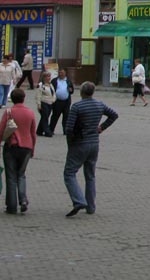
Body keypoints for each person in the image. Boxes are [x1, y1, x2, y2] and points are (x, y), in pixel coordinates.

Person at [63, 81, 118, 217]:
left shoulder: (77, 107)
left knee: (69, 173)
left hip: (79, 143)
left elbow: (69, 128)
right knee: (90, 175)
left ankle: (79, 200)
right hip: (94, 143)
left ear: (81, 92)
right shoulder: (99, 104)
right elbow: (113, 115)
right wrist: (101, 127)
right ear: (92, 92)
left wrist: (70, 143)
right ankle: (91, 206)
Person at [0, 88, 37, 214]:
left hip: (11, 148)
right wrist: (32, 149)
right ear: (23, 98)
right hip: (27, 148)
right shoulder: (30, 113)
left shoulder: (8, 112)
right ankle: (23, 199)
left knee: (11, 177)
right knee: (21, 175)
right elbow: (33, 133)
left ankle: (11, 206)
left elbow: (0, 132)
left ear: (12, 99)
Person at [49, 68, 74, 135]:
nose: (60, 74)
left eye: (62, 73)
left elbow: (72, 91)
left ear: (65, 73)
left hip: (66, 102)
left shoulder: (68, 81)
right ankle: (51, 129)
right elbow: (51, 90)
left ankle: (65, 131)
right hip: (57, 102)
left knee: (66, 117)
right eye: (59, 73)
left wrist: (70, 90)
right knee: (55, 116)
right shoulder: (54, 81)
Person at [35, 70, 55, 137]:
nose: (49, 78)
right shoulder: (41, 85)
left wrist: (53, 100)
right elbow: (38, 95)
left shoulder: (50, 84)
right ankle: (47, 131)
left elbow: (53, 93)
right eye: (47, 76)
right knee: (45, 117)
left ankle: (39, 130)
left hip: (50, 103)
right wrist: (38, 104)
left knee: (45, 117)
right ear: (43, 77)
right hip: (43, 103)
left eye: (49, 76)